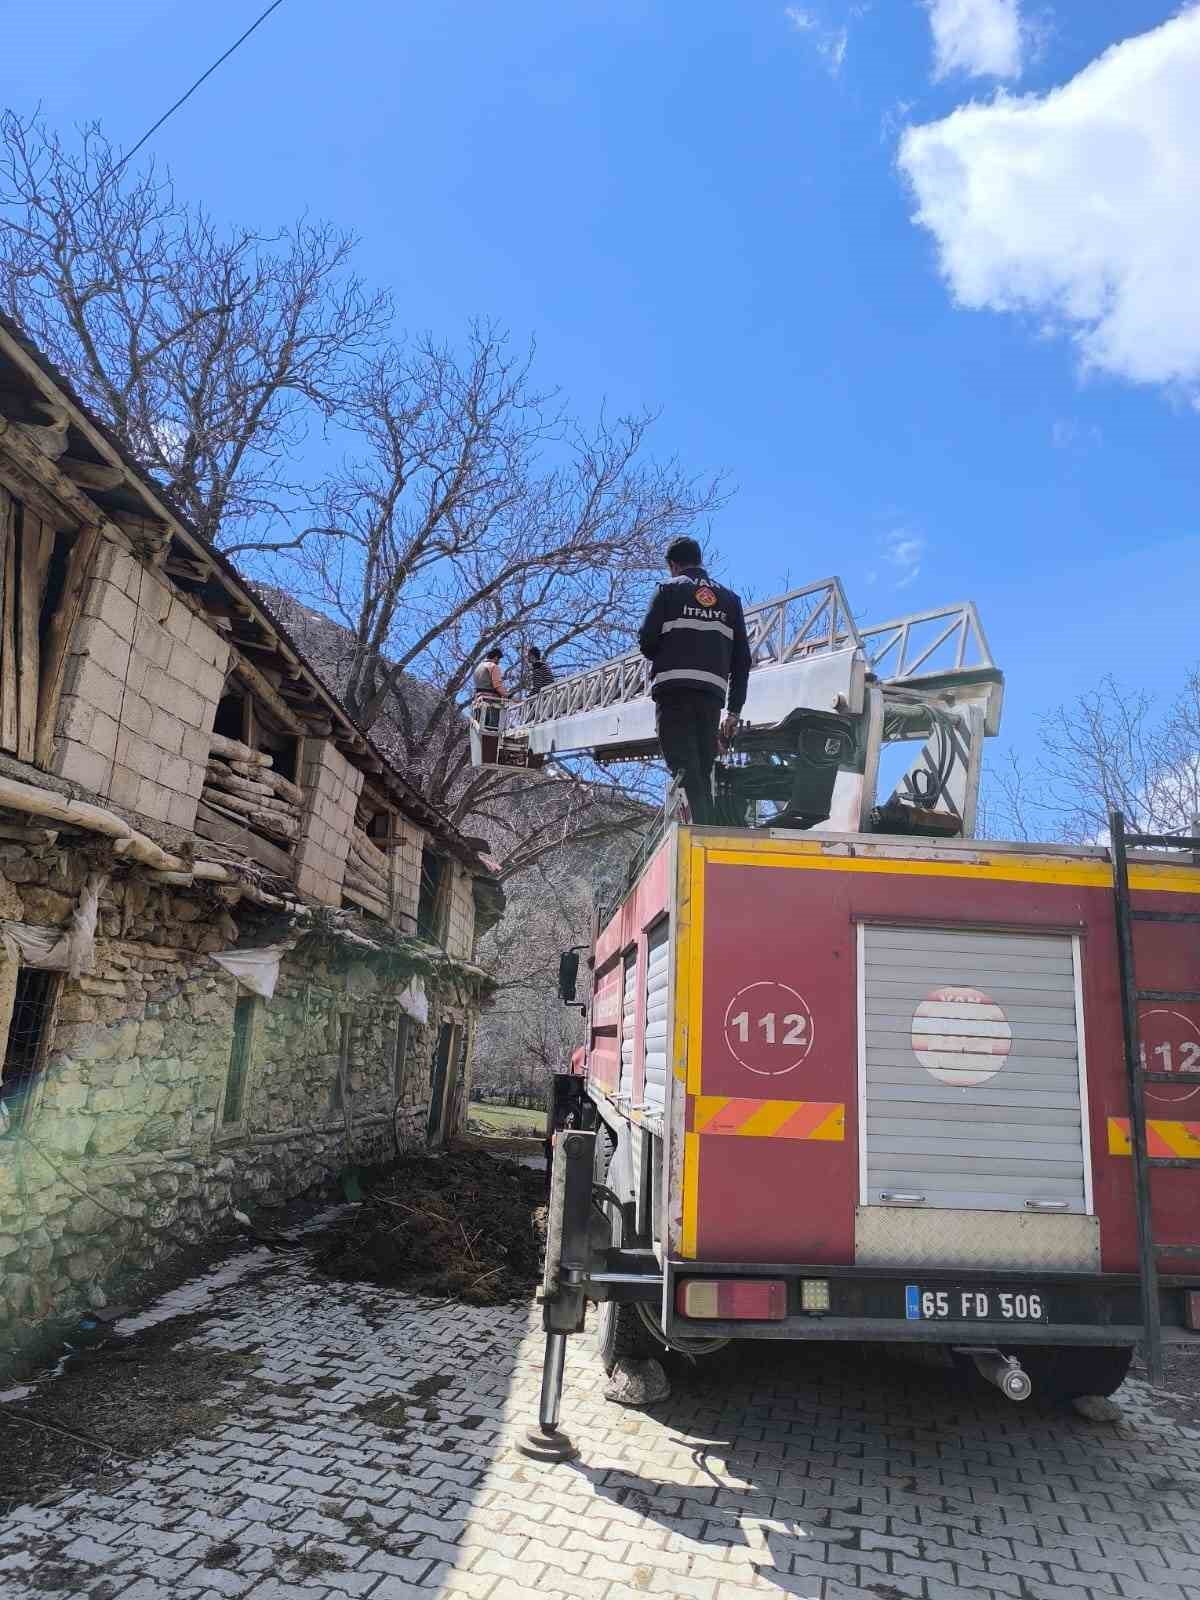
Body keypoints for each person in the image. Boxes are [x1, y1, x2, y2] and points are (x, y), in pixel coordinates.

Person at [638, 536, 751, 825]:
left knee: (683, 767)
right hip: (712, 695)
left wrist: (669, 649)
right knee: (702, 767)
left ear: (673, 566)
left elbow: (646, 641)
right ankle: (709, 824)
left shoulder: (668, 590)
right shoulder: (730, 600)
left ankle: (703, 829)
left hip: (674, 690)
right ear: (700, 561)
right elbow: (742, 661)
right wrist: (734, 710)